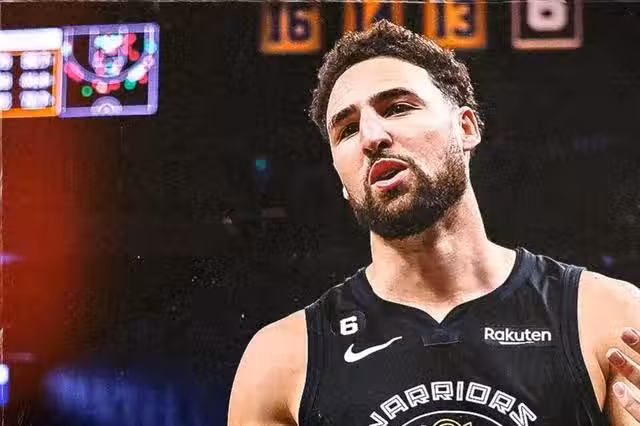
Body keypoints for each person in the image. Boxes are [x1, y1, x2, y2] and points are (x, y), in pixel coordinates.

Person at [228, 20, 640, 425]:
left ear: (466, 128)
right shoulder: (281, 361)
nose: (371, 137)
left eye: (398, 108)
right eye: (348, 130)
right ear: (340, 178)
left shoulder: (607, 315)